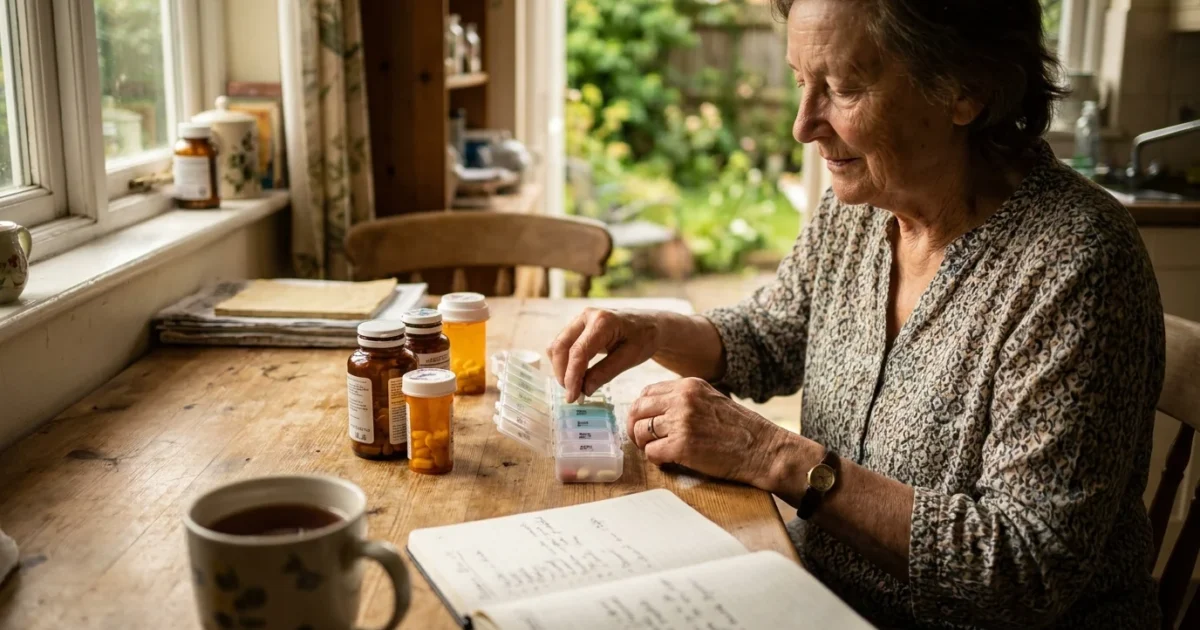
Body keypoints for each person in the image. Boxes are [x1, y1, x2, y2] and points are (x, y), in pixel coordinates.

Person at [547, 0, 1165, 627]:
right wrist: (648, 328)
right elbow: (770, 335)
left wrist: (771, 455)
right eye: (799, 82)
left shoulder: (1076, 263)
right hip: (822, 602)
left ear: (965, 91)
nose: (803, 124)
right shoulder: (862, 206)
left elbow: (1024, 569)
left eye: (842, 89)